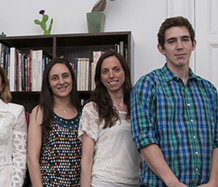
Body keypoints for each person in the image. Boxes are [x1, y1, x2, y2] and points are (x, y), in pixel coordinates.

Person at [131, 16, 218, 186]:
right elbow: (145, 139)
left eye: (184, 40)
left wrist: (214, 182)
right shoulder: (147, 85)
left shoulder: (209, 90)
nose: (179, 46)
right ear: (161, 48)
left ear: (193, 44)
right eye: (171, 41)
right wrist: (173, 183)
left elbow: (217, 140)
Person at [78, 50, 140, 187]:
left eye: (116, 69)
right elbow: (87, 158)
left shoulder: (137, 106)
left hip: (135, 181)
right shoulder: (92, 109)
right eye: (105, 72)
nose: (111, 75)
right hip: (104, 181)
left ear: (125, 72)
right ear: (100, 78)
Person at [27, 57, 83, 187]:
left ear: (72, 80)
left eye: (65, 76)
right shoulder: (40, 111)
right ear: (48, 84)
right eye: (55, 78)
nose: (61, 82)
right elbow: (32, 158)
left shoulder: (84, 113)